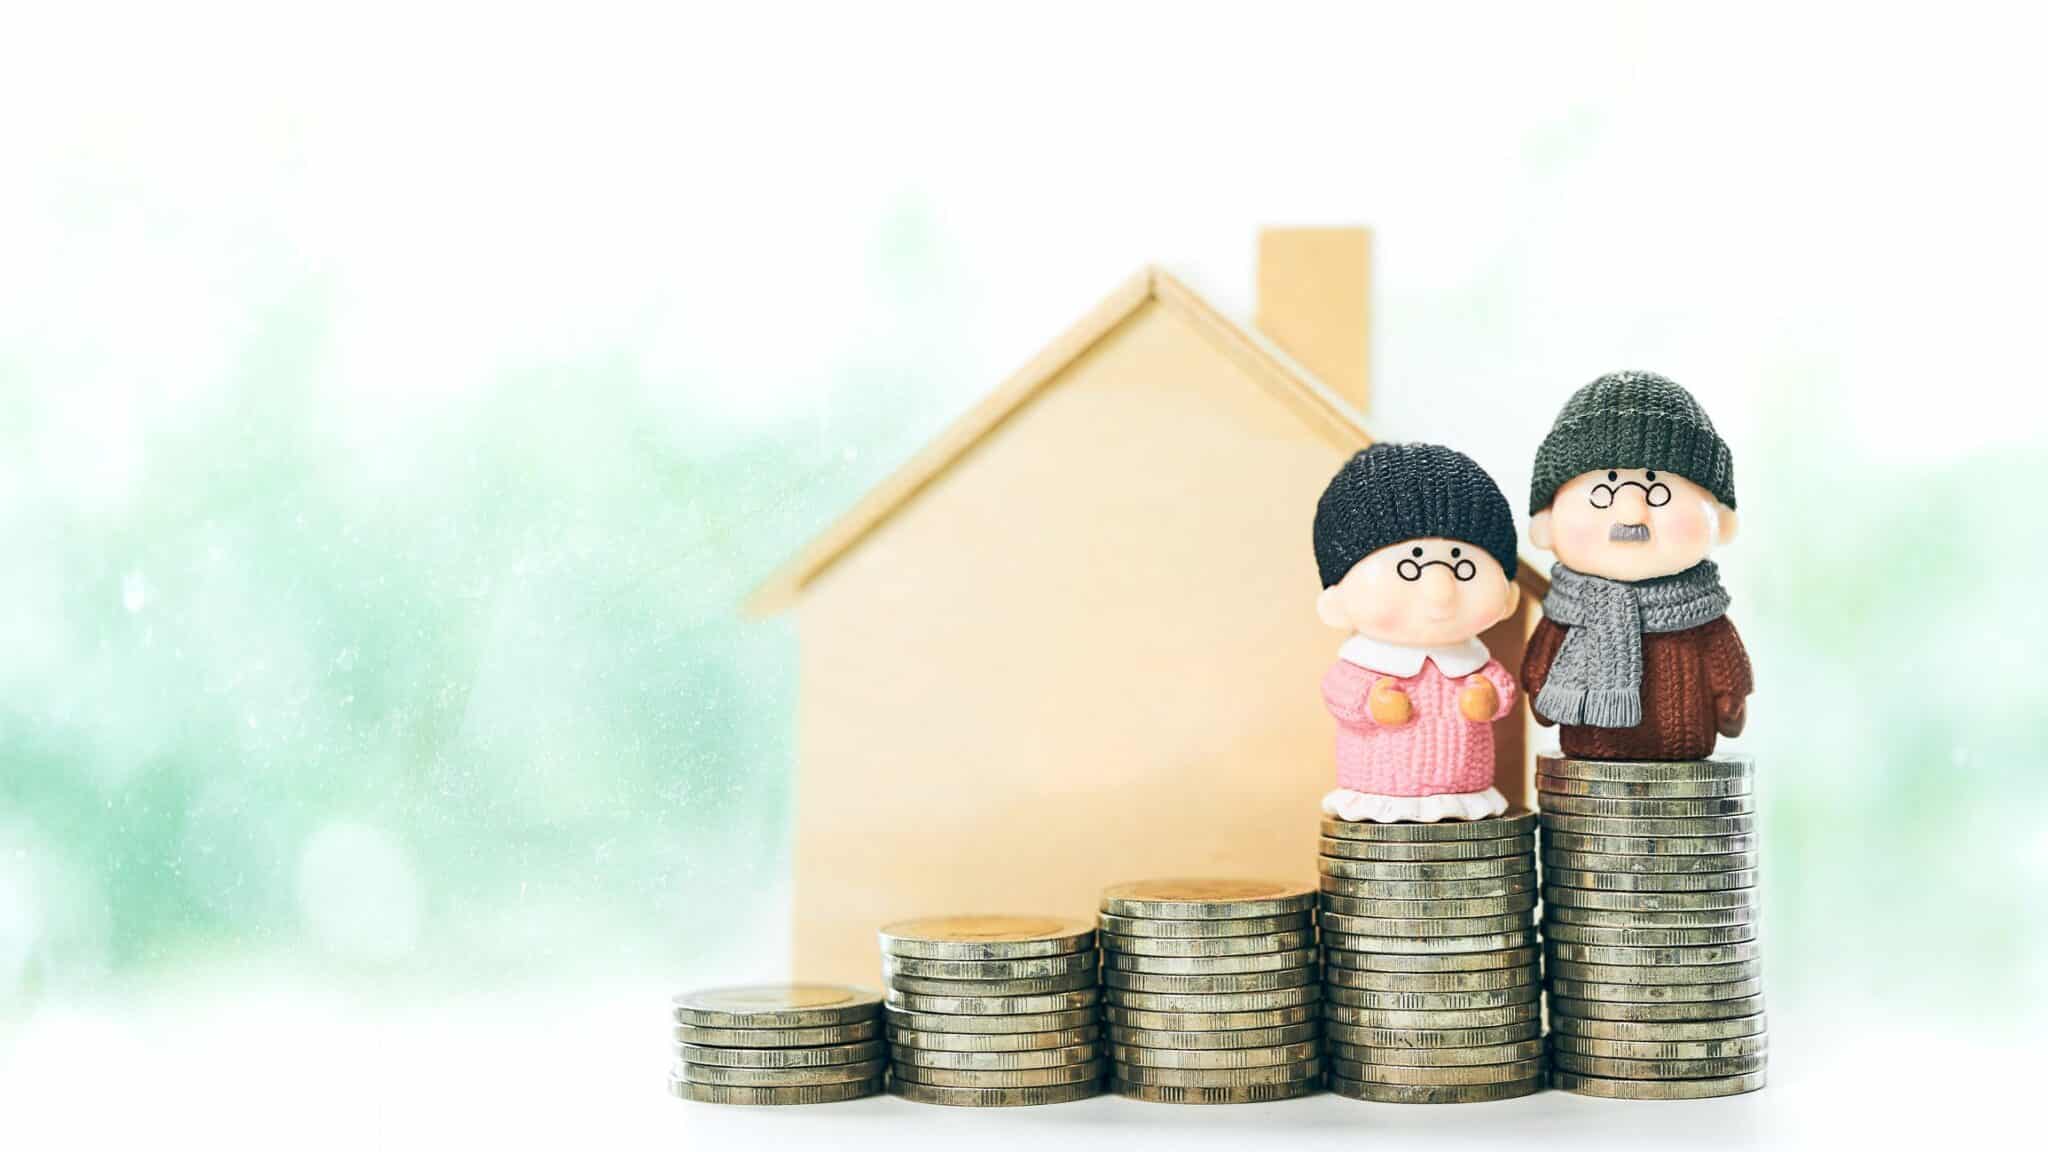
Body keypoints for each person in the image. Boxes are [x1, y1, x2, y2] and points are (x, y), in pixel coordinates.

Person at [1522, 370, 1753, 761]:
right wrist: (1542, 689)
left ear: (1720, 520)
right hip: (1588, 767)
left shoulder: (1700, 612)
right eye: (1604, 492)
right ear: (1547, 524)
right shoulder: (1567, 611)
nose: (1631, 512)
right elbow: (1541, 666)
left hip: (1684, 760)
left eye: (1657, 491)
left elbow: (1725, 661)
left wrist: (1731, 698)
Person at [1312, 443, 1522, 822]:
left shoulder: (1475, 663)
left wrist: (1491, 698)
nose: (1440, 591)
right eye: (1410, 568)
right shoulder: (1364, 663)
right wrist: (1371, 703)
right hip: (1378, 792)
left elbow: (1502, 688)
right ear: (1337, 600)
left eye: (1462, 567)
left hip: (1466, 791)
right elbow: (1340, 691)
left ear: (1508, 595)